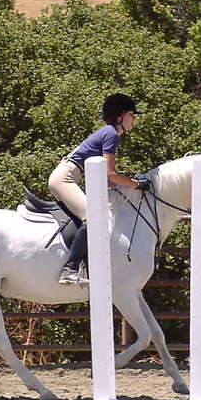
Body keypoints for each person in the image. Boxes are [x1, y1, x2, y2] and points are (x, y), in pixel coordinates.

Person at [48, 93, 152, 284]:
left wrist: (128, 183)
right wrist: (137, 184)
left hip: (67, 175)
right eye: (131, 115)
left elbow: (109, 178)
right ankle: (70, 269)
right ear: (120, 116)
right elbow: (110, 174)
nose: (134, 119)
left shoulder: (108, 133)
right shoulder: (111, 134)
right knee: (94, 217)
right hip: (65, 178)